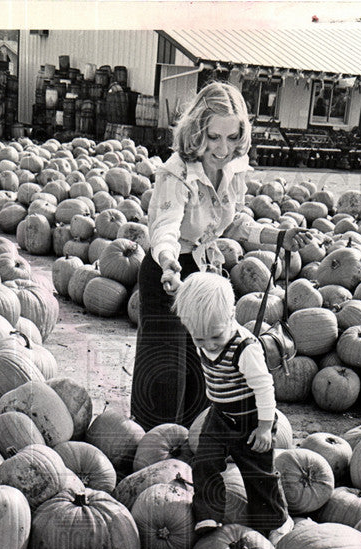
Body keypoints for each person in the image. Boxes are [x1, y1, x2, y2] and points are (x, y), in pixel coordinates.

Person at [130, 81, 304, 432]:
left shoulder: (233, 169)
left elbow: (232, 220)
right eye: (213, 137)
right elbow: (165, 228)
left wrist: (276, 236)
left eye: (231, 137)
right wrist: (167, 262)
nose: (223, 148)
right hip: (169, 272)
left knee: (204, 364)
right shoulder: (177, 173)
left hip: (203, 271)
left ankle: (194, 445)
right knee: (168, 371)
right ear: (197, 131)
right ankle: (156, 448)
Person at [172, 271, 294, 545]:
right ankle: (209, 513)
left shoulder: (245, 348)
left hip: (251, 420)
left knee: (258, 474)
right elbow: (189, 303)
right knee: (204, 462)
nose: (209, 345)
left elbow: (264, 388)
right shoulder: (203, 329)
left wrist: (265, 428)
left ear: (232, 315)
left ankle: (277, 521)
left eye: (215, 336)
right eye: (200, 340)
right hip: (220, 416)